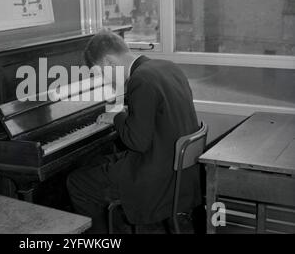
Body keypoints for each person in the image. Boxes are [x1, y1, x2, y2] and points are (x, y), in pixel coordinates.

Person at [67, 30, 202, 233]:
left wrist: (117, 116)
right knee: (97, 163)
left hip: (155, 176)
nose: (104, 80)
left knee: (77, 182)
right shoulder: (167, 67)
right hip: (179, 171)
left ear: (109, 62)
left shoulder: (141, 79)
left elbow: (137, 142)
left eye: (101, 72)